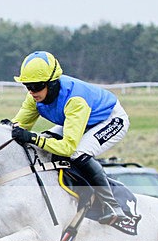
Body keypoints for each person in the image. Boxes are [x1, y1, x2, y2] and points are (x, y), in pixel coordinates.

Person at [7, 51, 128, 225]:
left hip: (109, 119)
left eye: (37, 86)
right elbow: (20, 126)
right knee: (44, 141)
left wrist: (32, 138)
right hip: (77, 119)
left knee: (78, 153)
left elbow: (67, 147)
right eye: (28, 86)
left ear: (53, 83)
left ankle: (111, 204)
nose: (32, 91)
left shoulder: (75, 100)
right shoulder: (34, 97)